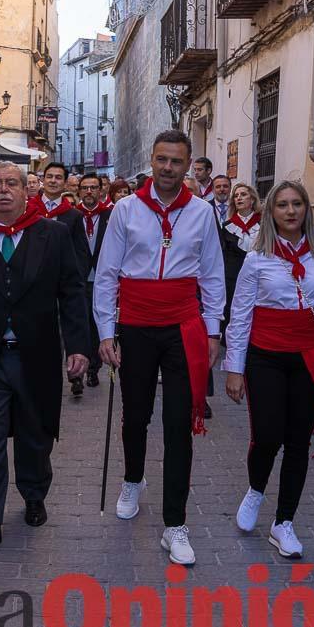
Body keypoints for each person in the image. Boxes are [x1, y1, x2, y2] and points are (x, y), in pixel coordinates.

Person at [0, 162, 89, 561]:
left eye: (12, 184)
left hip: (36, 356)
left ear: (28, 191)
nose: (4, 191)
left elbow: (72, 293)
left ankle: (33, 493)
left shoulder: (53, 235)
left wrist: (79, 346)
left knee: (34, 437)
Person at [95, 130, 224, 566]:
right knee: (136, 413)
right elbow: (108, 272)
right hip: (135, 323)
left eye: (176, 161)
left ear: (188, 166)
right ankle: (133, 479)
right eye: (161, 159)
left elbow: (212, 274)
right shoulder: (125, 210)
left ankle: (175, 524)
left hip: (183, 326)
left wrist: (213, 330)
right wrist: (105, 331)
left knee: (178, 423)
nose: (168, 168)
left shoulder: (203, 212)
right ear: (151, 161)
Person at [224, 181, 314, 560]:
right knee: (268, 434)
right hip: (265, 355)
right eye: (283, 205)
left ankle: (283, 521)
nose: (290, 211)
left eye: (297, 204)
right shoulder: (257, 258)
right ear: (271, 212)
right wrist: (234, 368)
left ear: (306, 209)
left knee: (298, 441)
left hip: (310, 357)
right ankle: (256, 489)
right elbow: (240, 314)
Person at [32, 162, 91, 398]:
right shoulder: (30, 210)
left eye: (58, 177)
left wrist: (75, 278)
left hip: (63, 284)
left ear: (65, 183)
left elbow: (81, 252)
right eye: (49, 176)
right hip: (35, 285)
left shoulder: (73, 215)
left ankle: (74, 372)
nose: (53, 181)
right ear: (43, 180)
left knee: (68, 327)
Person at [75, 173, 114, 387]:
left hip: (101, 280)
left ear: (101, 191)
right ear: (79, 191)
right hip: (78, 281)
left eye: (93, 188)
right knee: (78, 325)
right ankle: (76, 374)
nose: (89, 192)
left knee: (96, 326)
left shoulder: (111, 215)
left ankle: (93, 368)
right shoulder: (72, 216)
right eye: (85, 188)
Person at [220, 183, 262, 324]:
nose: (239, 198)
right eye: (236, 196)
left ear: (253, 200)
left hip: (259, 276)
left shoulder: (264, 224)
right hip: (233, 279)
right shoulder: (227, 227)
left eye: (243, 194)